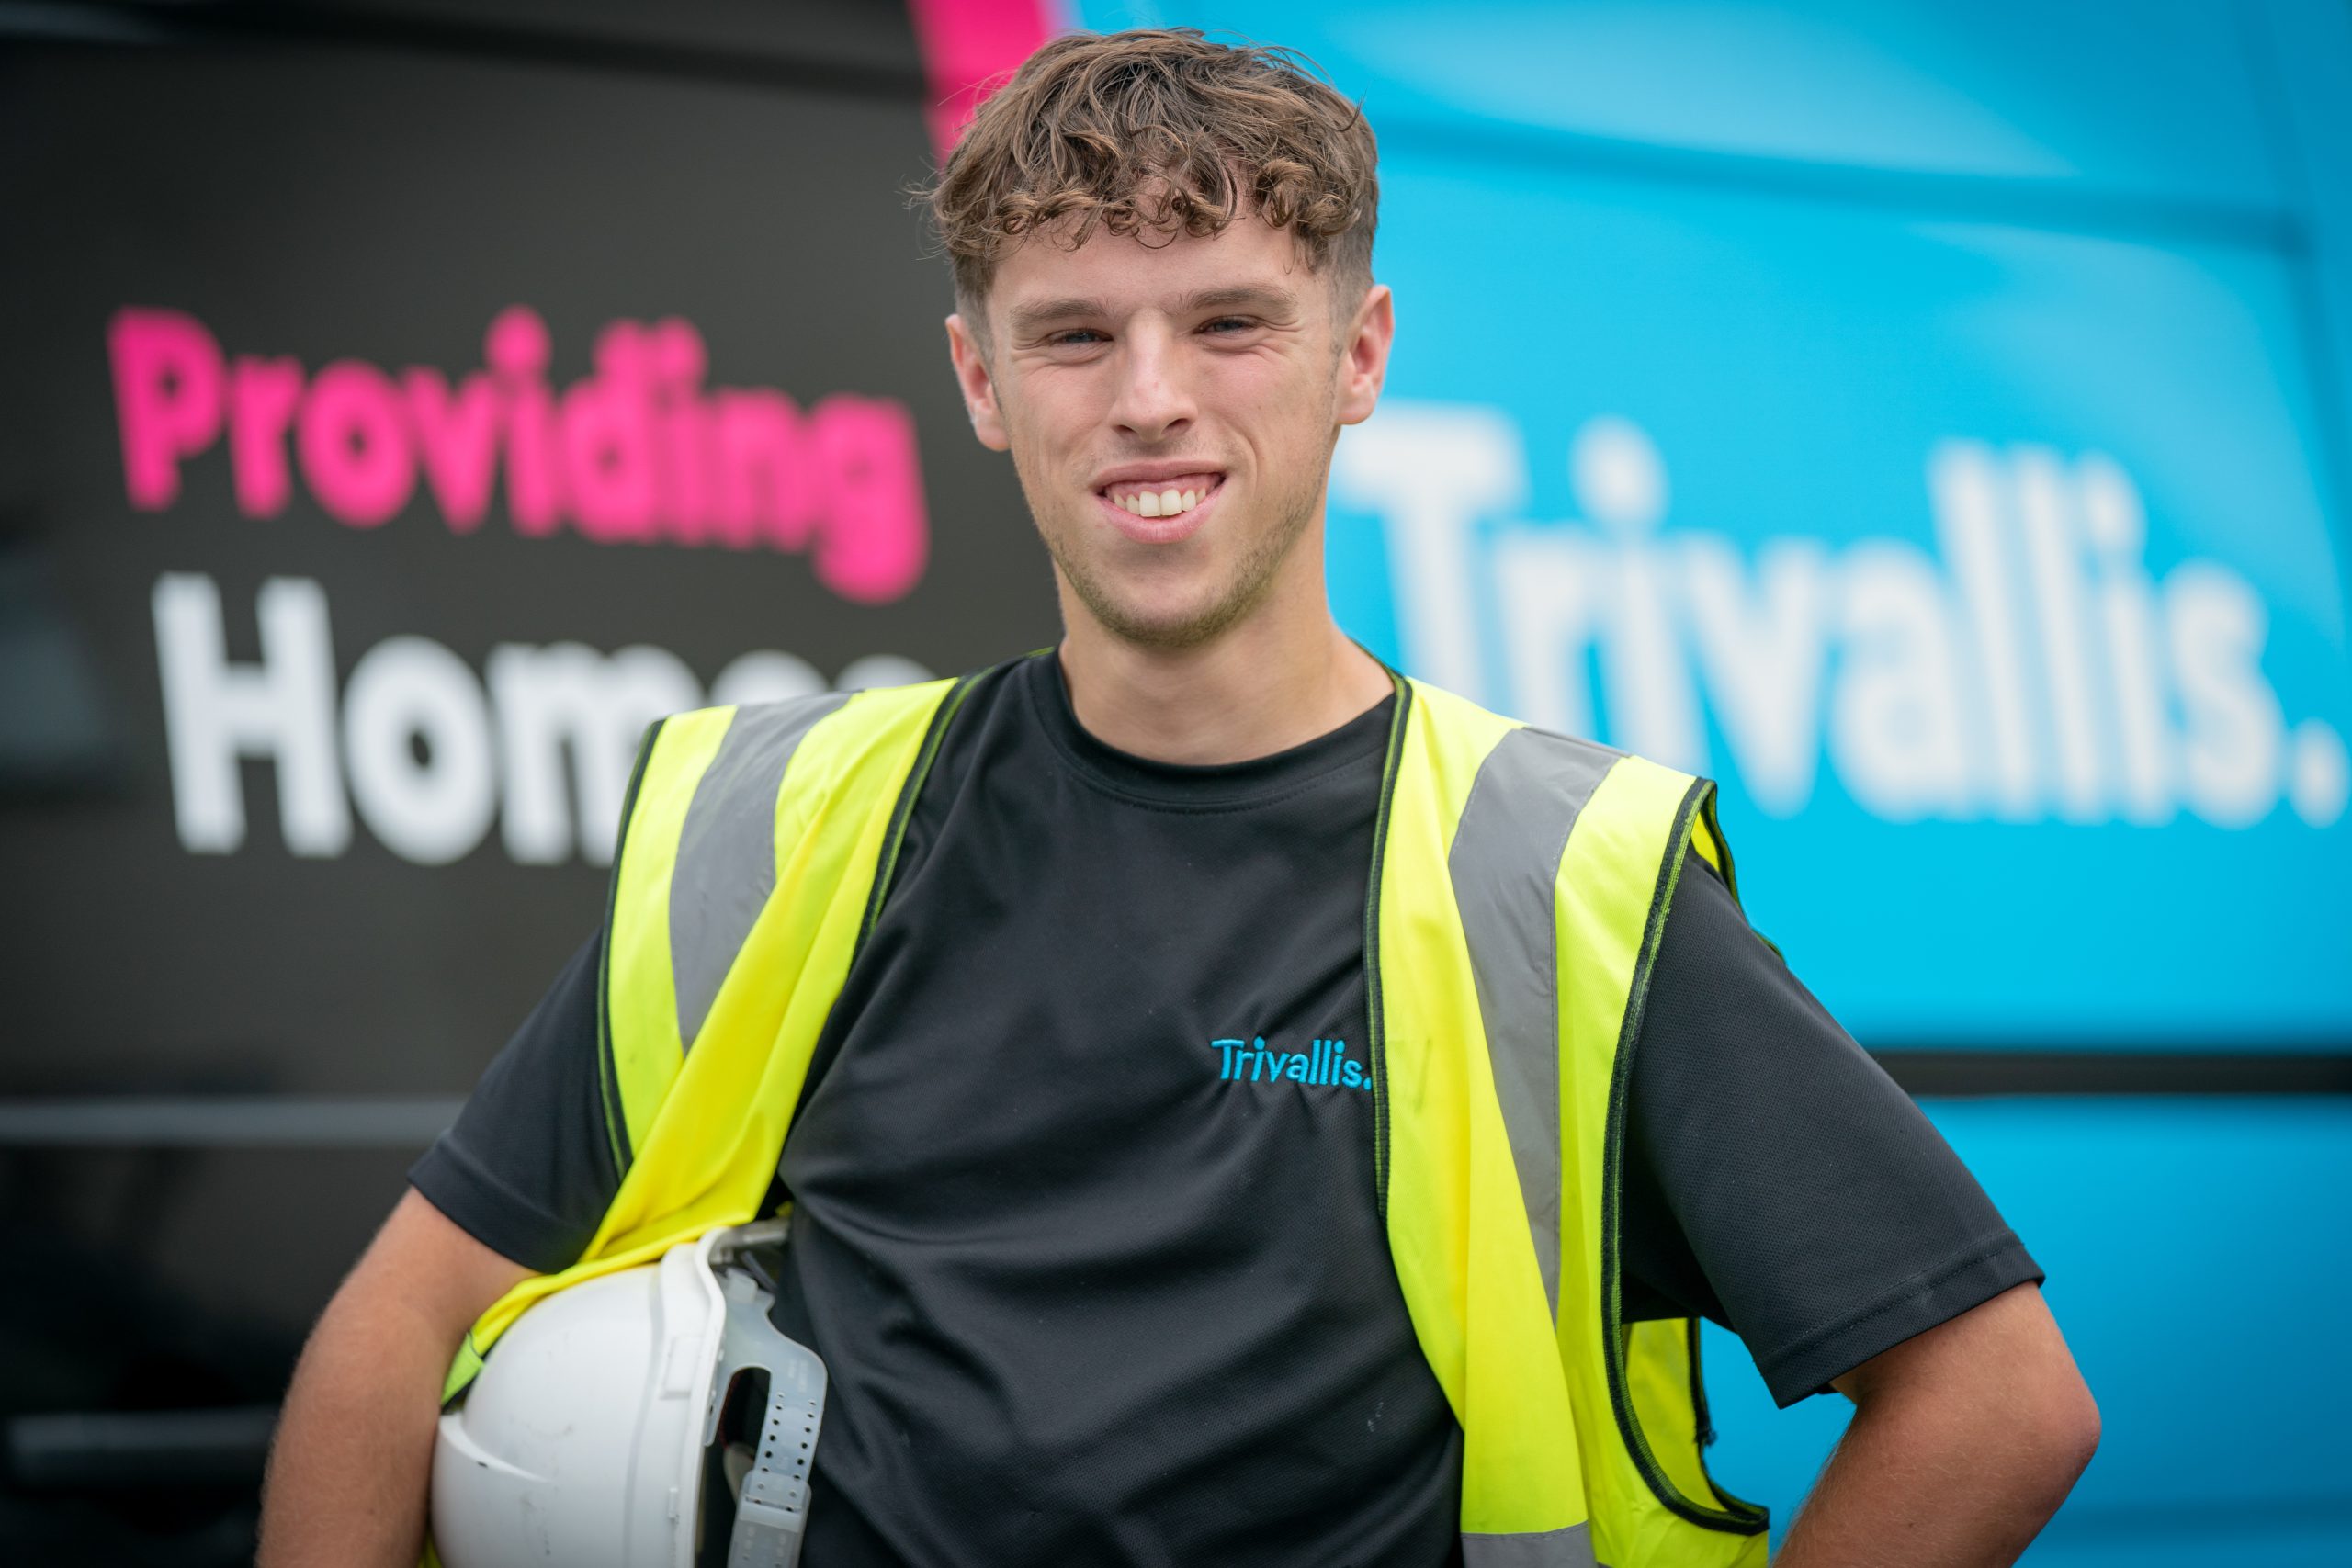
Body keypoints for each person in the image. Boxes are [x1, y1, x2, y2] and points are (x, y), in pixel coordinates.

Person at [257, 28, 2098, 1568]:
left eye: (1228, 323)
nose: (1147, 398)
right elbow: (390, 1334)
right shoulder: (792, 822)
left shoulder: (1551, 880)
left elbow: (1995, 1398)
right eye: (1072, 336)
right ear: (980, 381)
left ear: (1355, 354)